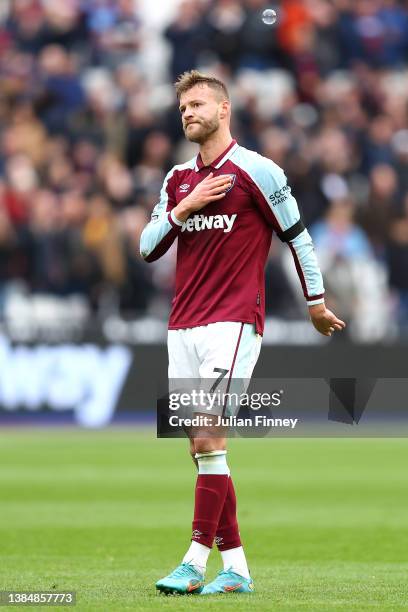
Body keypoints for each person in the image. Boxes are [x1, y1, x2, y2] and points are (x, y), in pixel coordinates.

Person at [140, 70, 345, 596]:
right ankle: (236, 569)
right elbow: (146, 247)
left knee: (209, 437)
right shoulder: (177, 180)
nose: (187, 112)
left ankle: (191, 562)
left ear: (224, 110)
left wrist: (316, 302)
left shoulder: (258, 170)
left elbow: (298, 237)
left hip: (231, 323)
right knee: (200, 449)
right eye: (182, 105)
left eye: (198, 103)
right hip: (181, 325)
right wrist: (187, 207)